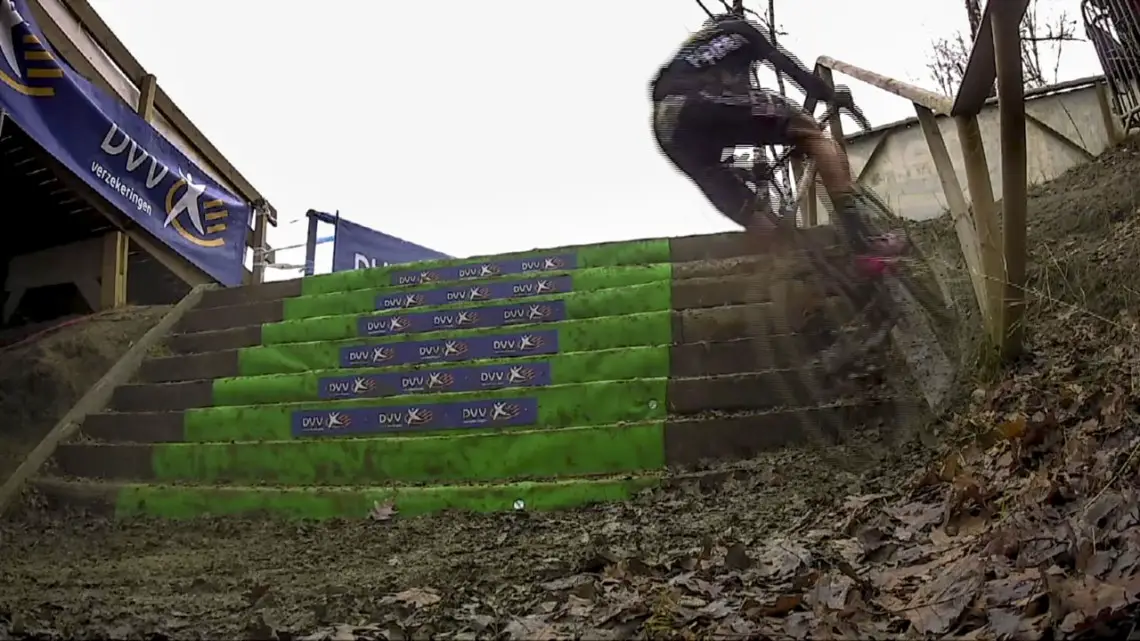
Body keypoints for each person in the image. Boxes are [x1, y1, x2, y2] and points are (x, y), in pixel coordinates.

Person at [650, 10, 904, 261]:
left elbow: (719, 126)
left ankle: (791, 269)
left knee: (753, 213)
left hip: (666, 126)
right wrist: (829, 95)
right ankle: (863, 242)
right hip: (698, 101)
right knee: (811, 133)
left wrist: (743, 169)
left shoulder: (689, 53)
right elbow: (787, 67)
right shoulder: (742, 29)